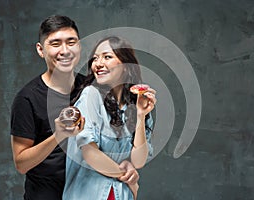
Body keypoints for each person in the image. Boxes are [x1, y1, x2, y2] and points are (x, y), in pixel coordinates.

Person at [10, 15, 140, 200]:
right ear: (41, 50)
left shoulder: (93, 88)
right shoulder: (27, 98)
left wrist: (126, 167)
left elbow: (113, 139)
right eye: (55, 44)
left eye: (71, 42)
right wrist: (59, 136)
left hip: (89, 193)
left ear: (79, 46)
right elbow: (21, 164)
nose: (65, 51)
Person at [63, 36, 157, 200]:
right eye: (95, 58)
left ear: (126, 66)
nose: (98, 64)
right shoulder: (90, 96)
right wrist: (129, 178)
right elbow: (90, 154)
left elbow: (138, 160)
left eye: (107, 57)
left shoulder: (133, 106)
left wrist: (141, 115)